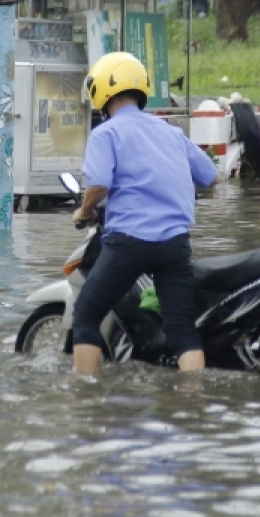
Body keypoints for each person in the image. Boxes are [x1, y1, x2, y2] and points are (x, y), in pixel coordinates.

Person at [72, 52, 220, 375]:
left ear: (100, 92)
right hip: (175, 245)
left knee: (85, 314)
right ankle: (191, 405)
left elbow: (98, 186)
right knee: (182, 330)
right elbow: (211, 176)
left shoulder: (106, 133)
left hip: (130, 244)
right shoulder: (171, 132)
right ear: (142, 89)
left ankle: (84, 402)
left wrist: (83, 211)